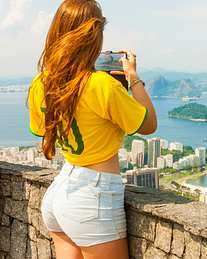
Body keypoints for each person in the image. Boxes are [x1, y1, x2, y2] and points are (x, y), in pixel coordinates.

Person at [27, 0, 157, 258]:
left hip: (60, 191)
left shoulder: (41, 83)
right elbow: (149, 124)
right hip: (93, 197)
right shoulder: (101, 85)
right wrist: (133, 78)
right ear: (93, 36)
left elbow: (41, 129)